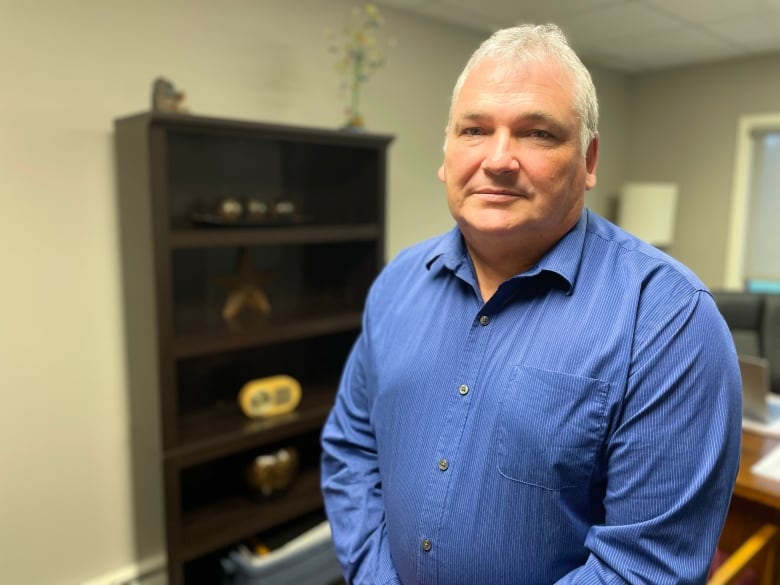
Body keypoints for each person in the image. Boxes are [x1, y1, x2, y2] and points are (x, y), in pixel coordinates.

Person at [320, 23, 742, 585]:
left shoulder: (669, 321)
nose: (497, 159)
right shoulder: (397, 283)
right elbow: (351, 451)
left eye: (537, 134)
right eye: (474, 130)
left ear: (588, 160)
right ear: (446, 153)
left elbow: (644, 568)